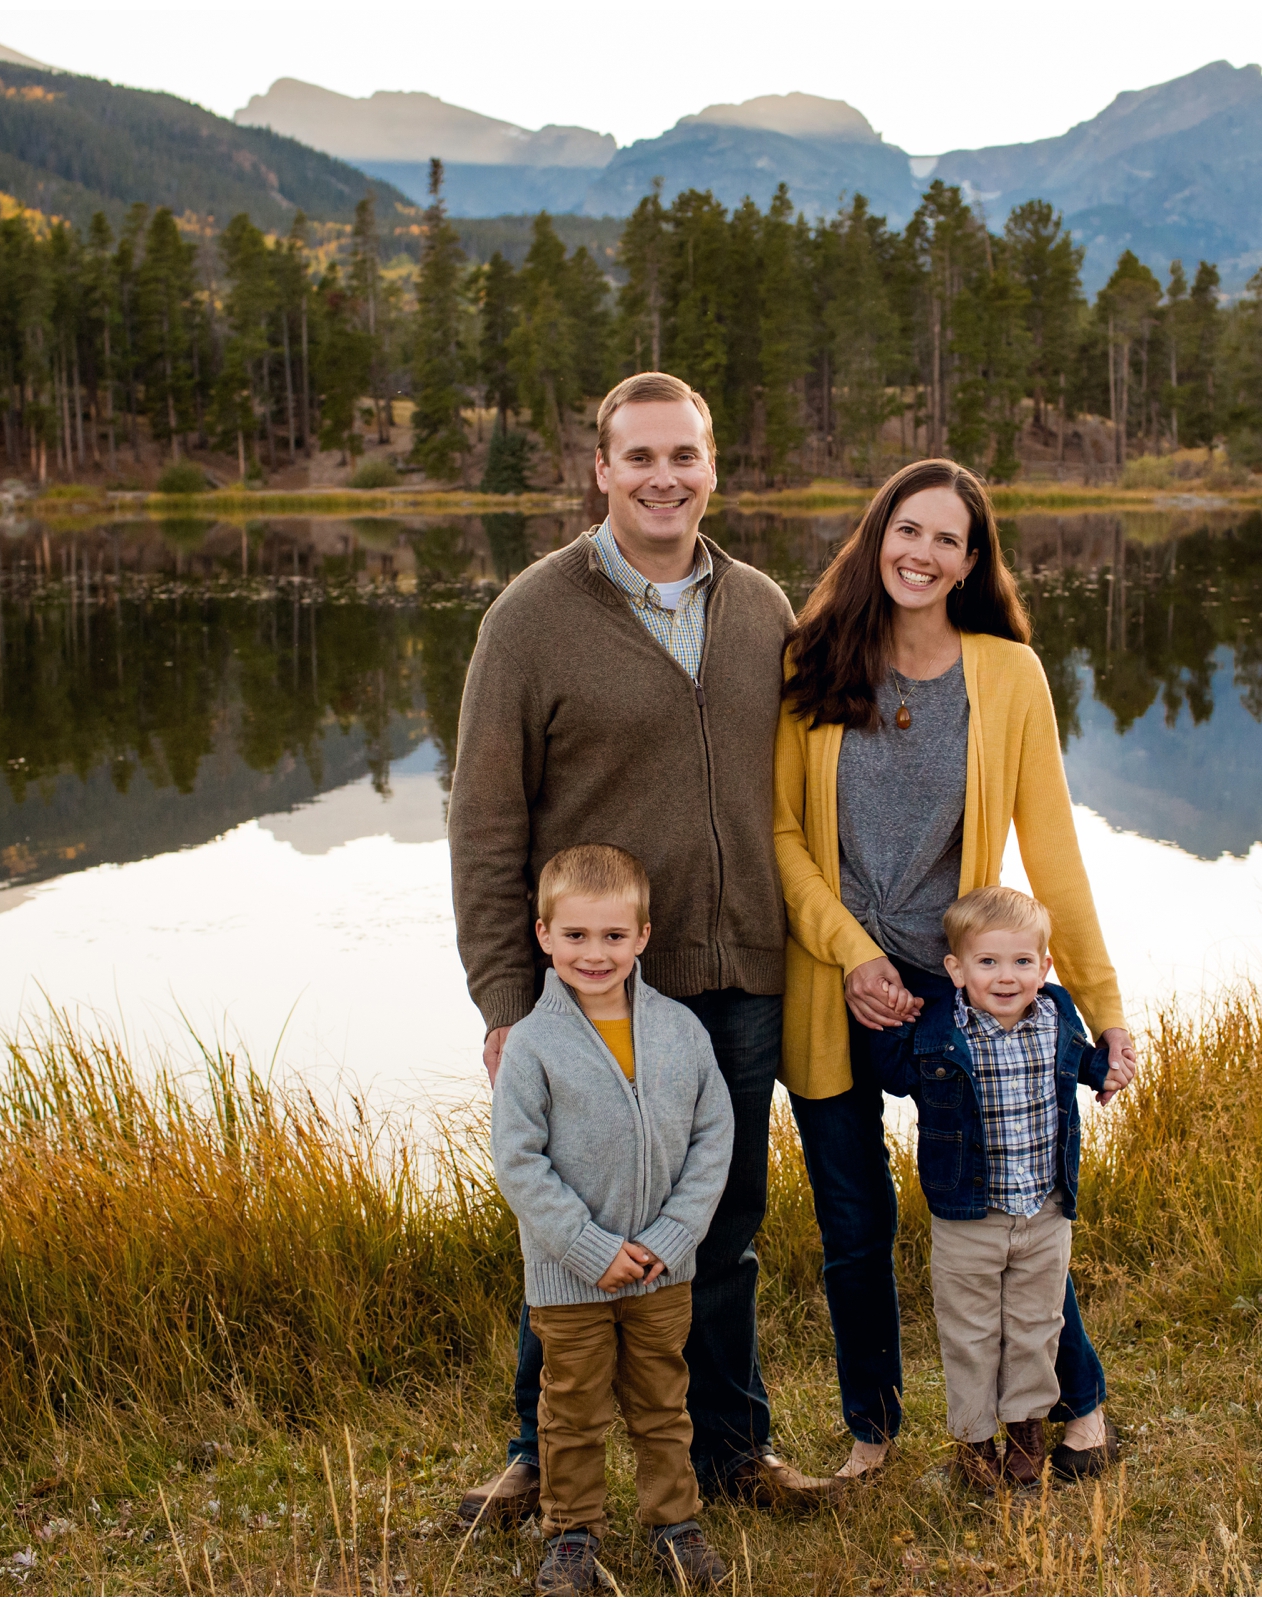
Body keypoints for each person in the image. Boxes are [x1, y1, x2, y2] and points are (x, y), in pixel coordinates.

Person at [450, 371, 843, 1526]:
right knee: (567, 1226)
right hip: (594, 986)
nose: (665, 478)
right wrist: (505, 998)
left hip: (740, 973)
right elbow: (484, 821)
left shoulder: (762, 604)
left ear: (713, 467)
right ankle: (538, 1457)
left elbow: (817, 767)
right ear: (603, 471)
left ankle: (734, 1451)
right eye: (641, 458)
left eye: (686, 456)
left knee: (722, 1222)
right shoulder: (530, 617)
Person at [772, 457, 1137, 1483]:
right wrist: (848, 953)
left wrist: (1103, 1011)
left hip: (957, 987)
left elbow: (1053, 850)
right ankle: (870, 1433)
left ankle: (1079, 1408)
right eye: (907, 528)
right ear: (875, 532)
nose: (921, 553)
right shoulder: (814, 659)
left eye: (947, 539)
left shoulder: (1006, 676)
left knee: (1008, 1198)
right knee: (853, 1219)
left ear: (971, 562)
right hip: (828, 977)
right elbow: (782, 834)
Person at [491, 845, 737, 1592]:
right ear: (544, 935)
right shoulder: (533, 1042)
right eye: (575, 936)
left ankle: (675, 1521)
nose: (594, 953)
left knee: (664, 1399)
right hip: (570, 1276)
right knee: (570, 1409)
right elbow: (519, 1161)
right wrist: (590, 1247)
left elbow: (712, 1138)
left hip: (663, 1269)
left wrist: (668, 1238)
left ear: (642, 937)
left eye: (611, 936)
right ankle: (571, 1534)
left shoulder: (681, 1032)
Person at [866, 886, 1108, 1488]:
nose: (1007, 977)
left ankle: (1027, 1434)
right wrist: (887, 1013)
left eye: (1023, 962)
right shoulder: (938, 1030)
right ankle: (974, 1447)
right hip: (966, 1218)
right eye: (988, 962)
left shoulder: (1057, 1015)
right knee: (969, 1335)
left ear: (1045, 966)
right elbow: (890, 1075)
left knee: (1036, 1328)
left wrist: (1112, 1068)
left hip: (1044, 1211)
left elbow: (1084, 1064)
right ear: (956, 969)